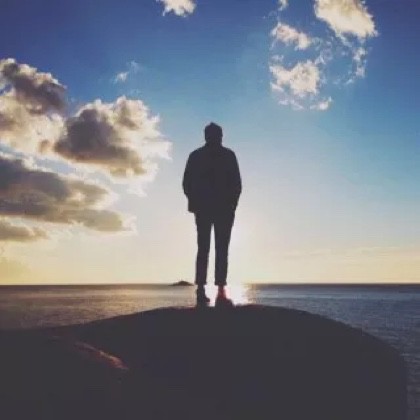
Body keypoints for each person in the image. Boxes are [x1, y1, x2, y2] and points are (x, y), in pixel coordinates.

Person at [183, 122, 242, 306]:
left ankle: (216, 291)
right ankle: (208, 291)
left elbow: (237, 184)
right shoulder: (200, 156)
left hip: (218, 209)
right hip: (210, 209)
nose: (217, 138)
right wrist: (196, 202)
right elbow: (187, 183)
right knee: (209, 249)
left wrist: (231, 205)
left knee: (213, 249)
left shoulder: (220, 155)